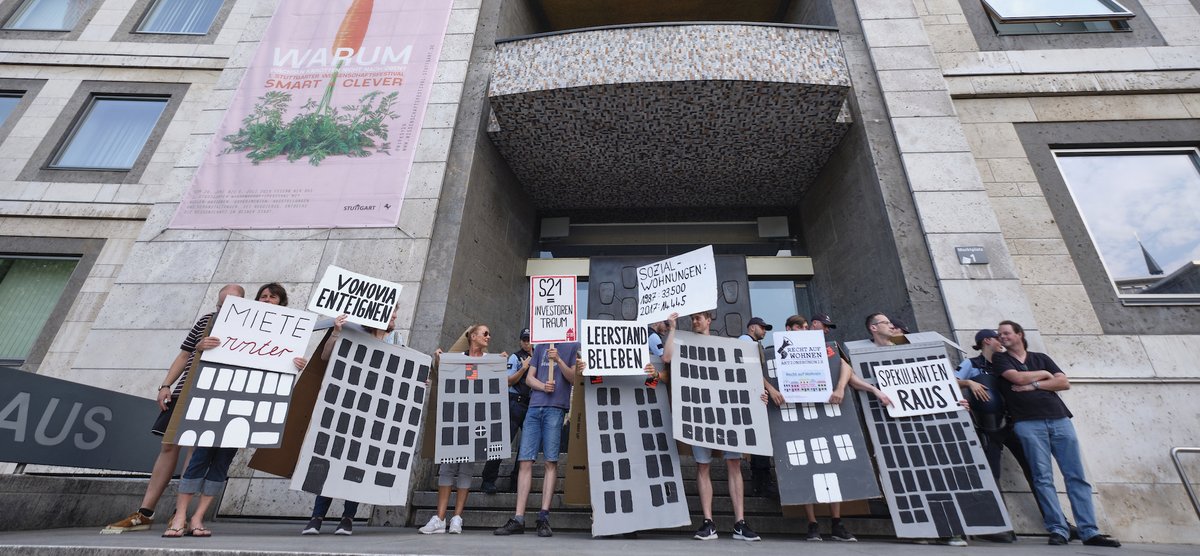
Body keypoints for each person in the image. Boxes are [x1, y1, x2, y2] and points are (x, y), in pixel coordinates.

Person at [101, 284, 245, 534]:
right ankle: (145, 512)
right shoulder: (206, 321)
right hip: (185, 390)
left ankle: (180, 514)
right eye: (222, 304)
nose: (225, 309)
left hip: (213, 393)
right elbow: (184, 354)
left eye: (232, 304)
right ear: (217, 305)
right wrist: (166, 384)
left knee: (194, 449)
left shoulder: (246, 327)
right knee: (168, 446)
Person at [163, 283, 302, 538]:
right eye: (264, 296)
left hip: (246, 403)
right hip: (217, 396)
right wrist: (201, 347)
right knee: (199, 456)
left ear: (281, 304)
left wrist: (294, 363)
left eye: (273, 297)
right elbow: (196, 354)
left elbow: (277, 363)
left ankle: (197, 518)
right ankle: (179, 516)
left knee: (222, 463)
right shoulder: (230, 321)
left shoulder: (285, 332)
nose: (268, 300)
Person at [994, 321, 1121, 548]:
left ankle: (1089, 531)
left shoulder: (1041, 357)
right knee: (1042, 477)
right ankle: (1058, 529)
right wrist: (1044, 376)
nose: (1002, 337)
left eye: (1006, 333)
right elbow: (1016, 378)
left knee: (1076, 476)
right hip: (1027, 423)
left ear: (1020, 334)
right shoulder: (1001, 359)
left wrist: (1034, 386)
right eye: (999, 334)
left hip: (1059, 419)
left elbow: (1063, 382)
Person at [662, 310, 764, 542]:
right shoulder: (683, 343)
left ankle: (740, 523)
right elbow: (667, 358)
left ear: (709, 321)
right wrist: (673, 327)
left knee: (734, 464)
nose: (695, 321)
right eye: (693, 318)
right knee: (703, 466)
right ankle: (708, 522)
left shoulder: (726, 345)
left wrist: (760, 395)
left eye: (700, 317)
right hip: (699, 413)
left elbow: (744, 375)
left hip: (727, 412)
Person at [301, 308, 401, 536]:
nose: (395, 318)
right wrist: (336, 331)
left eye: (395, 315)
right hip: (346, 405)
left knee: (357, 462)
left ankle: (347, 518)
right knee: (330, 459)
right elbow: (327, 357)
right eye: (391, 314)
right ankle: (316, 517)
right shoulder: (353, 333)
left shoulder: (397, 339)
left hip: (374, 410)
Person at [797, 313, 892, 541]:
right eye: (825, 326)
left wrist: (860, 389)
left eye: (829, 327)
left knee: (833, 465)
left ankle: (836, 522)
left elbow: (847, 370)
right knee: (804, 467)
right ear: (814, 325)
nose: (827, 330)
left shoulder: (831, 347)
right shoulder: (793, 346)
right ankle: (812, 524)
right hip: (801, 413)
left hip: (830, 412)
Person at [493, 340, 585, 537]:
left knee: (550, 461)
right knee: (525, 461)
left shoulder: (572, 345)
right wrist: (543, 387)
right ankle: (518, 517)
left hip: (556, 409)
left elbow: (574, 378)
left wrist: (558, 360)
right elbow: (529, 379)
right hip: (534, 407)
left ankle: (543, 516)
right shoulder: (541, 345)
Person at [420, 324, 502, 534]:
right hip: (455, 418)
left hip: (477, 423)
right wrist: (439, 359)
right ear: (472, 336)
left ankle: (457, 518)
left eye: (489, 333)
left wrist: (501, 364)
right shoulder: (455, 359)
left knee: (466, 469)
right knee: (447, 468)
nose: (488, 337)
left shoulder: (489, 360)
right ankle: (439, 518)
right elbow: (442, 377)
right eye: (485, 333)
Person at [481, 328, 533, 494]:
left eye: (529, 339)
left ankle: (516, 482)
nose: (527, 342)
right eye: (524, 339)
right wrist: (523, 368)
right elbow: (508, 381)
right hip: (513, 403)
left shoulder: (540, 357)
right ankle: (488, 480)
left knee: (526, 448)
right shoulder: (515, 357)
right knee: (501, 443)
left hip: (531, 405)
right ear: (520, 341)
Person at [737, 316, 783, 499]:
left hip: (756, 396)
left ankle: (761, 481)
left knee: (760, 440)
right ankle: (761, 482)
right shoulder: (745, 341)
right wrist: (770, 389)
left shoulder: (753, 343)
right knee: (759, 440)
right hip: (751, 397)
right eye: (762, 328)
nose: (764, 331)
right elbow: (751, 369)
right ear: (752, 327)